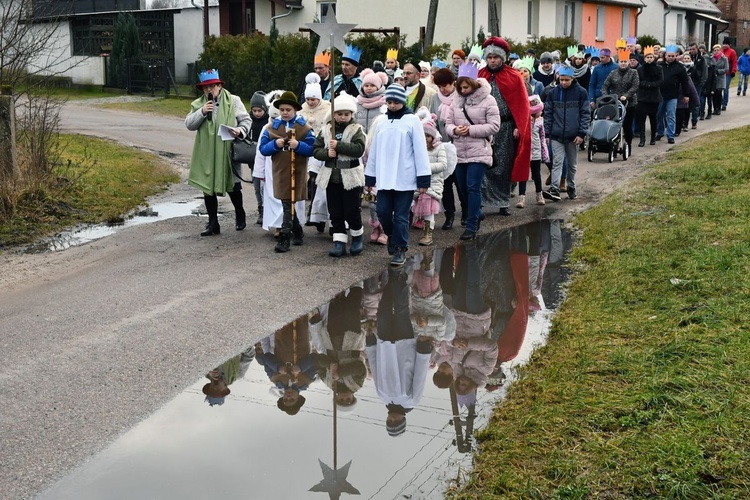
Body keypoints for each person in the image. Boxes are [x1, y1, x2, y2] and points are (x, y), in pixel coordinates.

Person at [364, 84, 431, 267]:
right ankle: (393, 236)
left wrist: (423, 178)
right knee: (383, 212)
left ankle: (400, 248)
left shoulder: (412, 121)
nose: (392, 105)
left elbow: (420, 150)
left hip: (405, 177)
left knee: (401, 216)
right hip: (385, 177)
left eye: (395, 102)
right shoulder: (382, 121)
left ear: (402, 101)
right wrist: (370, 177)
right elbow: (375, 150)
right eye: (389, 102)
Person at [185, 69, 251, 236]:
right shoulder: (198, 104)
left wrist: (240, 130)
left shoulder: (234, 101)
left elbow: (246, 120)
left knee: (233, 186)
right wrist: (202, 112)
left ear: (219, 86)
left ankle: (240, 213)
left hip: (228, 151)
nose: (209, 90)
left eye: (212, 86)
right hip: (207, 153)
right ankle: (213, 223)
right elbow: (189, 124)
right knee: (208, 188)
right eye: (206, 87)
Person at [445, 61, 501, 240]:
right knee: (462, 188)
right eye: (461, 87)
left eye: (466, 86)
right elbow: (448, 123)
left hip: (479, 151)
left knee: (473, 187)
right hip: (459, 151)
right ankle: (475, 214)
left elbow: (494, 126)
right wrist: (454, 130)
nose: (464, 90)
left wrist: (471, 130)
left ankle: (471, 225)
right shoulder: (456, 99)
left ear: (474, 83)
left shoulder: (488, 99)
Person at [478, 37, 532, 218]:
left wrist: (519, 126)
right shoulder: (480, 75)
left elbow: (521, 105)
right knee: (484, 165)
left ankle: (502, 202)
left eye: (495, 57)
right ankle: (482, 203)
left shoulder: (514, 76)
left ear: (502, 57)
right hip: (484, 127)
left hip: (506, 126)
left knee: (503, 165)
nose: (492, 60)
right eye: (489, 57)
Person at [258, 91, 316, 253]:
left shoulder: (304, 128)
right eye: (282, 110)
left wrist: (298, 146)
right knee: (286, 202)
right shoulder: (271, 128)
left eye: (288, 110)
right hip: (281, 172)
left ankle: (289, 233)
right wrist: (275, 144)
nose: (284, 113)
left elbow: (312, 149)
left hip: (297, 171)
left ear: (295, 110)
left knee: (289, 202)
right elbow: (263, 149)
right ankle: (290, 233)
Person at [312, 92, 367, 257]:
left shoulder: (357, 129)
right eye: (339, 114)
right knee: (335, 211)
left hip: (350, 176)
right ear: (334, 114)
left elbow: (359, 150)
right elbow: (316, 150)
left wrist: (340, 146)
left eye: (346, 114)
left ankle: (357, 236)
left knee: (351, 210)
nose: (343, 117)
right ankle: (339, 241)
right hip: (332, 176)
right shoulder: (326, 129)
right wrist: (326, 154)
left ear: (351, 114)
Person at [543, 65, 590, 201]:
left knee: (572, 164)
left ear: (572, 78)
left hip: (573, 135)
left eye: (566, 80)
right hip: (556, 134)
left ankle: (571, 187)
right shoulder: (553, 93)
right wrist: (547, 133)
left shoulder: (581, 92)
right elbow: (548, 114)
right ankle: (554, 189)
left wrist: (582, 133)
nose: (563, 82)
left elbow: (585, 113)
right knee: (557, 162)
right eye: (561, 80)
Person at [432, 68, 466, 231]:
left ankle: (466, 213)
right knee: (445, 184)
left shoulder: (461, 97)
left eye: (445, 85)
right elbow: (432, 121)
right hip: (442, 146)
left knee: (461, 183)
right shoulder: (434, 98)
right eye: (439, 86)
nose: (442, 89)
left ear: (453, 83)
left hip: (460, 145)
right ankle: (449, 215)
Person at [413, 108, 449, 246]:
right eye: (423, 135)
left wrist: (425, 167)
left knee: (428, 208)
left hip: (433, 183)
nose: (425, 138)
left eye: (428, 136)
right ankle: (422, 227)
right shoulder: (416, 148)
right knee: (420, 205)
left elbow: (443, 164)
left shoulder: (439, 148)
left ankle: (428, 233)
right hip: (418, 183)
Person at [602, 49, 639, 149]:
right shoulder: (613, 73)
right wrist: (607, 96)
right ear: (618, 62)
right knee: (614, 124)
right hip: (615, 103)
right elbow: (605, 86)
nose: (623, 64)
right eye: (621, 62)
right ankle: (613, 143)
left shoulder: (633, 72)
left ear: (628, 62)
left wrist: (626, 95)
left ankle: (628, 145)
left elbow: (635, 86)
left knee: (627, 126)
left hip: (629, 103)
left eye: (625, 62)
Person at [517, 95, 549, 207]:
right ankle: (521, 197)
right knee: (523, 175)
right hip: (525, 151)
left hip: (536, 152)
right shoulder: (524, 121)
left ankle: (539, 194)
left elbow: (542, 137)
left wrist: (544, 153)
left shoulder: (540, 122)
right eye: (539, 111)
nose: (541, 113)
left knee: (536, 174)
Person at [656, 45, 691, 144]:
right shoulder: (660, 66)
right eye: (669, 56)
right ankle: (660, 132)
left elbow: (685, 82)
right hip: (660, 95)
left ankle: (670, 135)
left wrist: (686, 95)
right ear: (665, 56)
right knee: (659, 115)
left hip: (673, 95)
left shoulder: (679, 67)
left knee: (671, 115)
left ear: (675, 56)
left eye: (672, 56)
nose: (671, 58)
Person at [247, 91, 268, 225]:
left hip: (266, 157)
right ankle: (260, 208)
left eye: (259, 110)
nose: (257, 113)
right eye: (254, 110)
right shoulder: (249, 120)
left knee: (265, 187)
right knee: (256, 187)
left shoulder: (269, 121)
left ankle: (267, 209)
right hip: (253, 159)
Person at [636, 47, 663, 146]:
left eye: (651, 57)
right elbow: (638, 81)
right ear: (644, 58)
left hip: (654, 97)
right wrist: (646, 84)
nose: (649, 59)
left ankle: (652, 138)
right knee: (641, 118)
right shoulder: (640, 69)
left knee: (653, 118)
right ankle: (642, 139)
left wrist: (652, 85)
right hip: (642, 96)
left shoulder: (659, 68)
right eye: (647, 57)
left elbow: (660, 80)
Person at [709, 44, 729, 117]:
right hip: (713, 78)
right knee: (713, 94)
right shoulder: (711, 58)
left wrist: (718, 71)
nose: (716, 52)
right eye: (715, 50)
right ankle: (715, 108)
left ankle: (718, 108)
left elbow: (726, 69)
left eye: (718, 50)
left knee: (719, 93)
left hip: (721, 78)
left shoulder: (724, 58)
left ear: (720, 50)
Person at [721, 38, 738, 110]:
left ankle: (724, 103)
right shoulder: (721, 51)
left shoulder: (732, 52)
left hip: (728, 73)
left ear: (729, 45)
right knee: (719, 89)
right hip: (721, 73)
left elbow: (734, 62)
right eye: (724, 44)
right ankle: (720, 102)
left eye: (726, 44)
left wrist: (733, 71)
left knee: (725, 88)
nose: (725, 45)